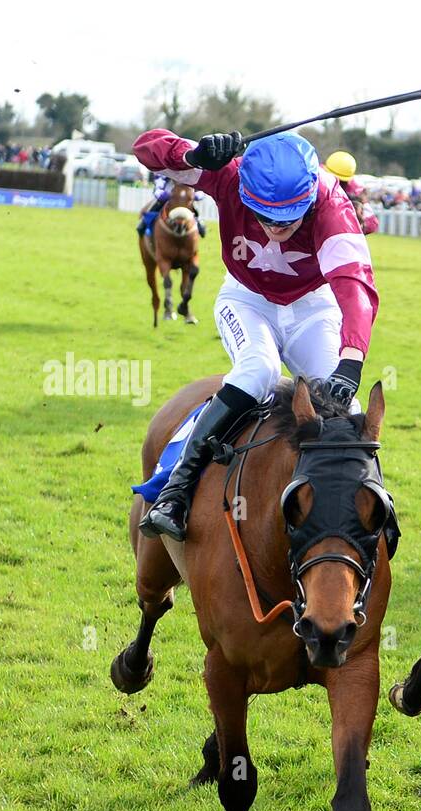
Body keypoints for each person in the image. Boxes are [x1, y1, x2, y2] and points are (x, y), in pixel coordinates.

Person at [132, 127, 379, 542]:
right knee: (257, 371)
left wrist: (351, 360)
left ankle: (371, 512)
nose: (276, 227)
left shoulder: (331, 201)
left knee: (347, 406)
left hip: (312, 306)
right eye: (265, 216)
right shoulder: (229, 174)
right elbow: (146, 148)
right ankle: (176, 490)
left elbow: (355, 286)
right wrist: (195, 156)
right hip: (247, 300)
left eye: (289, 218)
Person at [136, 171, 208, 237]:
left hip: (185, 195)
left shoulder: (189, 167)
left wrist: (197, 195)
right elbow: (159, 181)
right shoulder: (166, 165)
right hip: (169, 194)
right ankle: (144, 223)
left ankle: (199, 223)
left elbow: (200, 186)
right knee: (158, 204)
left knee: (191, 206)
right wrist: (162, 193)